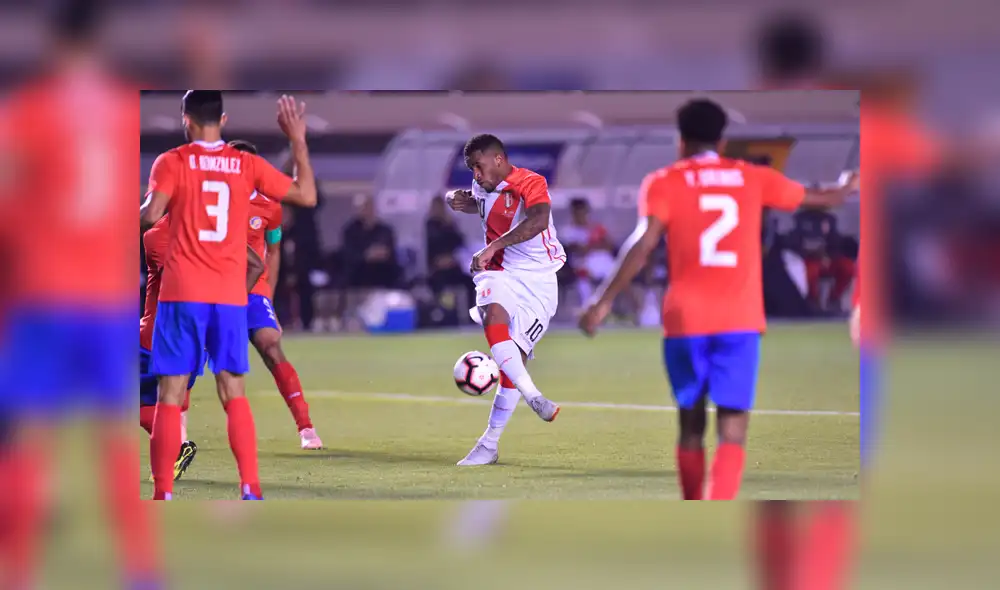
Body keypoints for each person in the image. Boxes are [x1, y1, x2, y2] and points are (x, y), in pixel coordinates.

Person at [579, 99, 857, 500]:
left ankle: (693, 504)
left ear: (681, 141)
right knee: (733, 427)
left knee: (691, 424)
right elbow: (824, 198)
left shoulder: (664, 182)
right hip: (739, 319)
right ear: (722, 141)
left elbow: (643, 243)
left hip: (686, 320)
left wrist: (602, 302)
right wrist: (847, 184)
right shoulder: (752, 177)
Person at [0, 1, 159, 586]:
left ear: (54, 44)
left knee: (28, 434)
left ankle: (17, 572)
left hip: (44, 292)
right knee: (112, 438)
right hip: (107, 296)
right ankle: (140, 569)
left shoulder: (29, 110)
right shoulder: (123, 107)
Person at [139, 91, 318, 500]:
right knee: (233, 393)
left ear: (186, 120)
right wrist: (297, 140)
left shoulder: (172, 162)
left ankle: (163, 493)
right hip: (228, 295)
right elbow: (307, 195)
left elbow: (150, 215)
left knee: (170, 395)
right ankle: (250, 489)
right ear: (223, 119)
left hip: (182, 293)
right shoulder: (245, 164)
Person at [446, 134, 565, 466]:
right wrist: (455, 198)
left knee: (514, 361)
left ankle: (490, 444)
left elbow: (538, 220)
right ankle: (534, 397)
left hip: (539, 282)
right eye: (472, 169)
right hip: (499, 271)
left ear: (498, 159)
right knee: (493, 316)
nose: (476, 174)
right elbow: (481, 200)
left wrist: (494, 245)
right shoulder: (481, 184)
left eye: (479, 166)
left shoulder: (531, 182)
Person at [139, 213, 267, 480]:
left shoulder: (157, 236)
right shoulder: (218, 231)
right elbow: (255, 265)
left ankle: (175, 450)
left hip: (159, 339)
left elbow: (184, 286)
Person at [227, 139, 323, 450]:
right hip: (214, 288)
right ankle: (174, 425)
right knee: (193, 358)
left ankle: (306, 427)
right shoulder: (210, 201)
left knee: (270, 344)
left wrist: (267, 296)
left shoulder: (270, 207)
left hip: (253, 287)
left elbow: (275, 250)